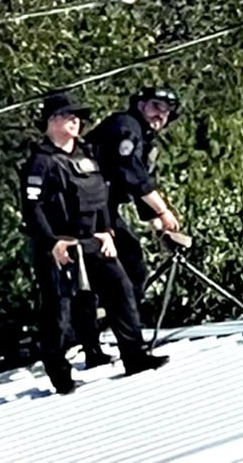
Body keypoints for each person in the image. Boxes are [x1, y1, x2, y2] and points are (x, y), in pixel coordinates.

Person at [19, 92, 169, 394]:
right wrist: (51, 243)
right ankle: (60, 374)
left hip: (93, 239)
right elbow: (32, 208)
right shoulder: (40, 162)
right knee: (58, 311)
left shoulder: (86, 154)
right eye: (67, 116)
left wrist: (107, 231)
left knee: (122, 290)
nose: (75, 121)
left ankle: (134, 356)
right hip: (59, 245)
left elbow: (101, 196)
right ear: (51, 122)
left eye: (77, 117)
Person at [85, 86, 183, 316]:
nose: (161, 114)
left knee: (131, 266)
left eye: (167, 111)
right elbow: (130, 172)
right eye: (156, 106)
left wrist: (159, 226)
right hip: (85, 207)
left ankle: (114, 320)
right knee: (123, 264)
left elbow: (140, 183)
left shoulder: (143, 139)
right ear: (141, 106)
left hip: (102, 207)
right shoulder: (126, 127)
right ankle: (95, 323)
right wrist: (163, 211)